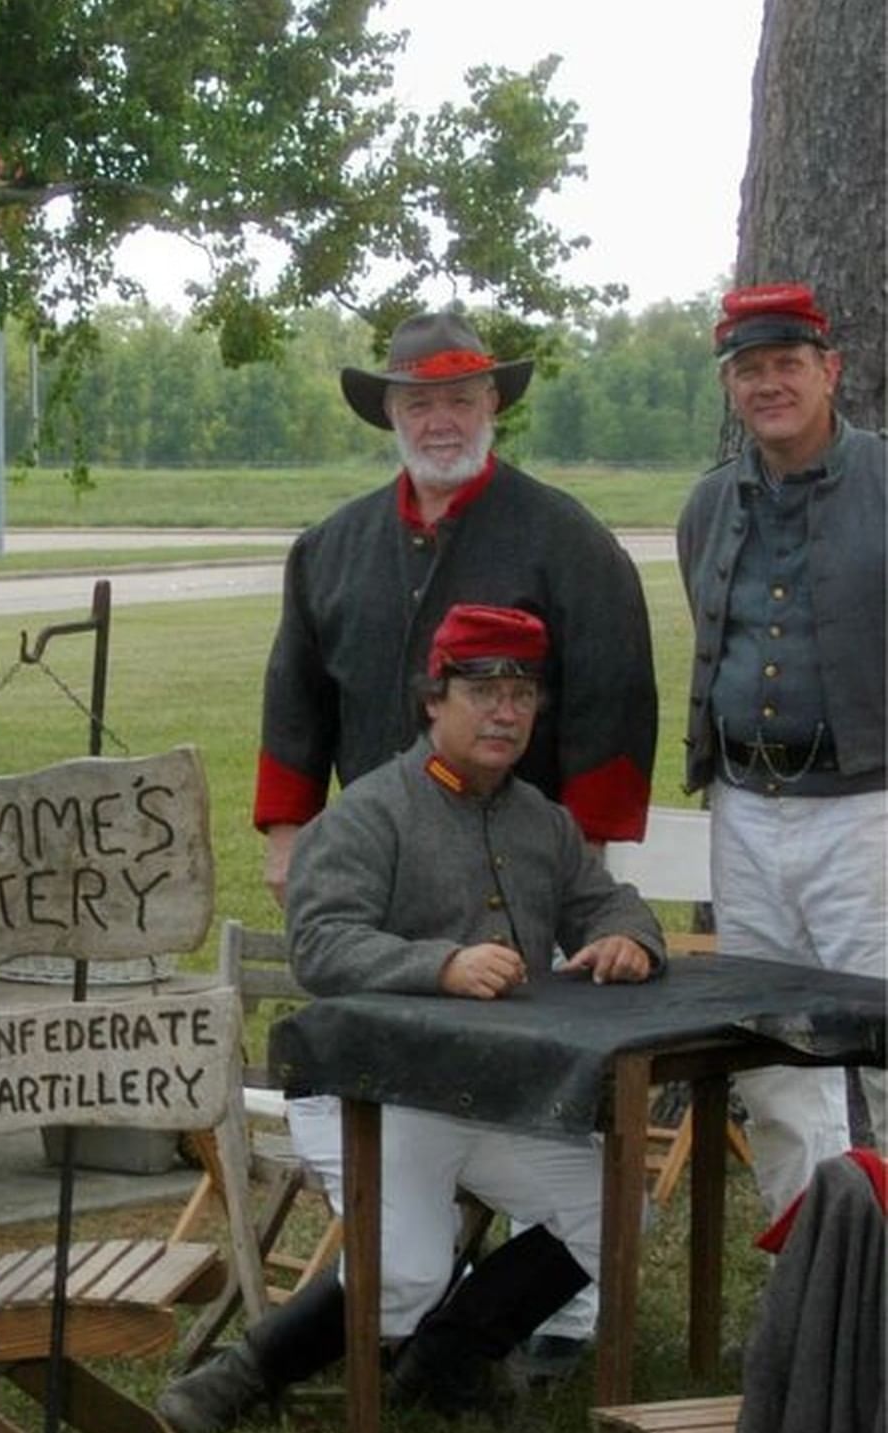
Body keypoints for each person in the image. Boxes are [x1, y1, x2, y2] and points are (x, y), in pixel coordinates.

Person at [159, 605, 665, 1431]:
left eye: (523, 691)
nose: (506, 710)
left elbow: (613, 903)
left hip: (494, 1095)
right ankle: (234, 1376)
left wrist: (626, 938)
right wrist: (441, 964)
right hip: (370, 1089)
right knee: (408, 1269)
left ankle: (450, 1355)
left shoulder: (540, 819)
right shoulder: (370, 812)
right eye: (483, 689)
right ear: (434, 699)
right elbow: (319, 946)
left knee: (619, 1207)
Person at [256, 310, 658, 901]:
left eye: (460, 402)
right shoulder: (328, 548)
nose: (441, 422)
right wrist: (287, 833)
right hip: (374, 855)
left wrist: (587, 844)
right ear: (391, 415)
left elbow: (612, 697)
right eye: (419, 406)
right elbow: (296, 698)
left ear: (492, 404)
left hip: (519, 861)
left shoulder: (568, 539)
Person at [677, 282, 886, 1218]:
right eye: (749, 370)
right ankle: (812, 1258)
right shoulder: (709, 505)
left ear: (829, 370)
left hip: (866, 810)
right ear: (731, 387)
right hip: (745, 807)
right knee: (770, 1055)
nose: (770, 385)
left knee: (884, 1039)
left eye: (788, 365)